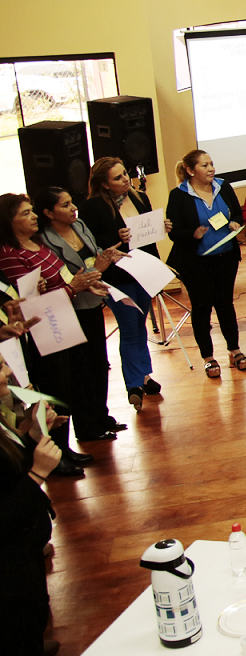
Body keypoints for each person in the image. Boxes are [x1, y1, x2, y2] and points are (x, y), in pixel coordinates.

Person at [0, 193, 111, 472]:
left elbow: (59, 279)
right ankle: (53, 456)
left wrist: (83, 284)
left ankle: (63, 449)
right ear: (8, 221)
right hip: (41, 329)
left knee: (71, 384)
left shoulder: (37, 244)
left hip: (63, 318)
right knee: (54, 388)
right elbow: (26, 299)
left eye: (31, 211)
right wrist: (75, 287)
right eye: (25, 213)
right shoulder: (10, 254)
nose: (33, 216)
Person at [31, 188, 122, 458]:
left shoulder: (79, 225)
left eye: (72, 203)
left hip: (93, 300)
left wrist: (104, 259)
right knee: (81, 368)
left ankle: (100, 416)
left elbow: (93, 255)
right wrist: (99, 268)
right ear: (48, 213)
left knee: (99, 362)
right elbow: (67, 276)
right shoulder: (45, 240)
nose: (74, 209)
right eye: (66, 205)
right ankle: (86, 426)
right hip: (70, 307)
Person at [0, 366, 62, 656]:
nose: (8, 370)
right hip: (7, 575)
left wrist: (32, 433)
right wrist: (37, 475)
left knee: (28, 630)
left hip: (22, 560)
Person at [77, 157, 166, 407]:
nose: (125, 179)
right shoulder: (91, 207)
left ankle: (145, 375)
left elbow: (149, 235)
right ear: (104, 184)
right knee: (128, 328)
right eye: (117, 177)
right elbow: (90, 242)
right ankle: (133, 383)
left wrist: (162, 227)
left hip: (142, 271)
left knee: (140, 325)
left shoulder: (139, 197)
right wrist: (115, 236)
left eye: (125, 173)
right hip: (117, 276)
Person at [166, 150, 246, 377]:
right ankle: (208, 357)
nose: (211, 168)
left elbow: (239, 215)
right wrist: (193, 234)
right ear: (191, 171)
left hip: (226, 257)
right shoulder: (179, 195)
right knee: (201, 308)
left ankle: (234, 350)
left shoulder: (223, 186)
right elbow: (174, 232)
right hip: (196, 263)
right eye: (204, 165)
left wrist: (235, 224)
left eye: (211, 164)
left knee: (225, 304)